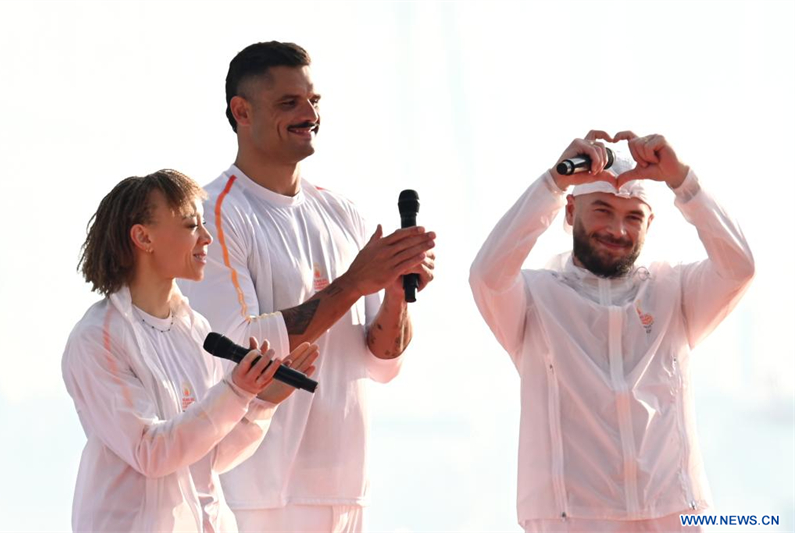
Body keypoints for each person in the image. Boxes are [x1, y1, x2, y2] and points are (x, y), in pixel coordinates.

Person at [179, 41, 436, 532]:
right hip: (261, 492)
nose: (310, 114)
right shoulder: (212, 213)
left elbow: (380, 363)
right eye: (290, 103)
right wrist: (358, 281)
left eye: (314, 100)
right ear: (242, 112)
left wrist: (395, 295)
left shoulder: (343, 212)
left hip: (348, 487)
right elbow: (239, 345)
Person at [469, 131, 755, 532]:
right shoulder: (534, 297)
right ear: (569, 212)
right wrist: (553, 182)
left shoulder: (676, 292)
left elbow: (739, 267)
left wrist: (682, 182)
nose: (618, 230)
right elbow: (486, 274)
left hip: (675, 511)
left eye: (633, 216)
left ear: (649, 222)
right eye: (602, 210)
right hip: (570, 517)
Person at [62, 169, 318, 532]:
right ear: (143, 237)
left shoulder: (194, 328)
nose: (207, 238)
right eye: (190, 225)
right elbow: (150, 452)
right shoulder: (96, 339)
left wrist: (260, 403)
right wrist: (236, 392)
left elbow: (210, 456)